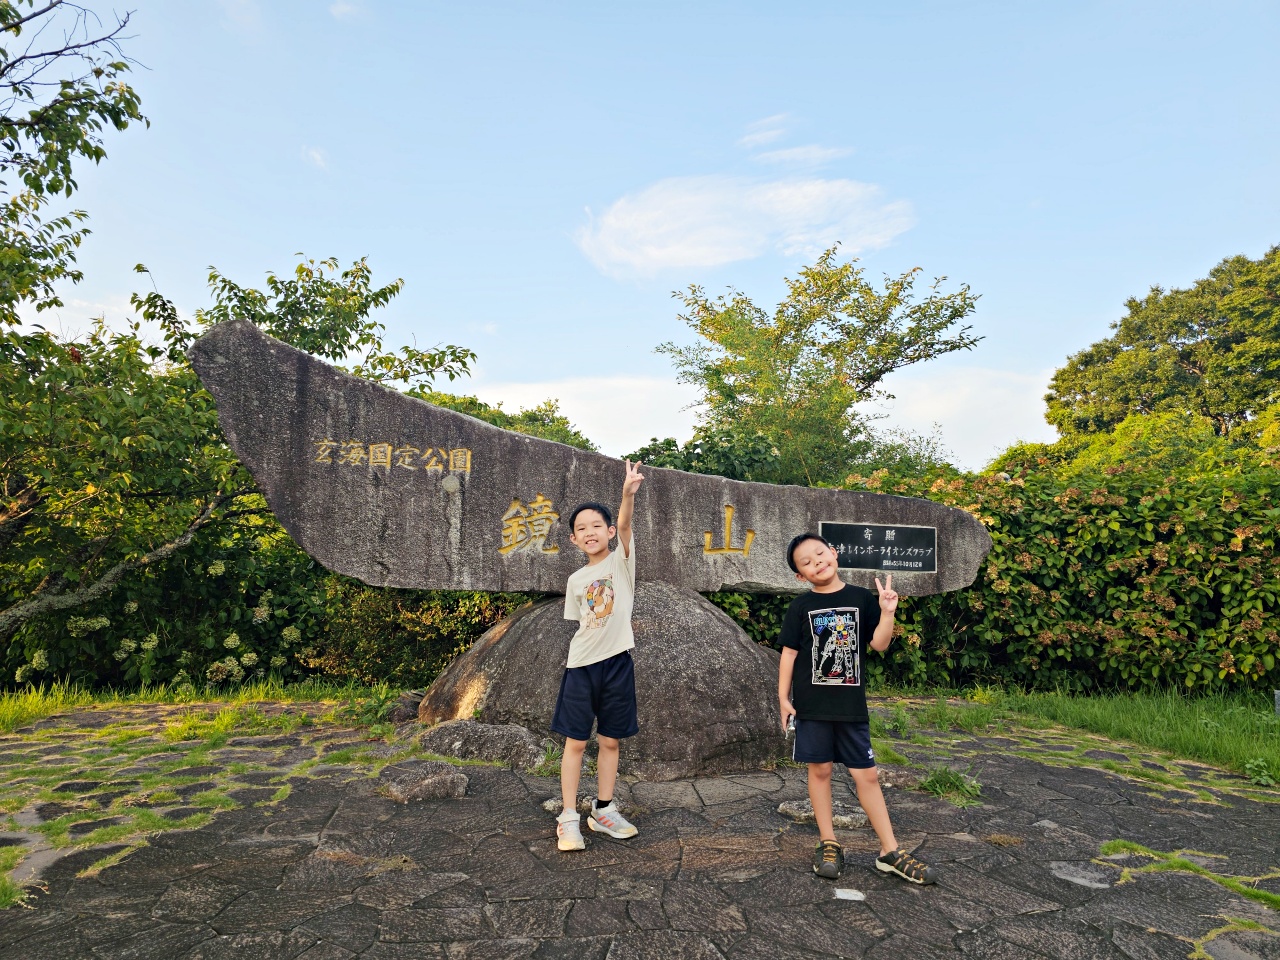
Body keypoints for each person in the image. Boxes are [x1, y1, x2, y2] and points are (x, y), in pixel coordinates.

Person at [777, 532, 939, 884]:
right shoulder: (800, 607)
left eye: (820, 553)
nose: (817, 562)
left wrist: (887, 612)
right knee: (819, 771)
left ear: (833, 553)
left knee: (866, 775)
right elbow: (789, 653)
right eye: (806, 562)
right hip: (813, 706)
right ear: (800, 576)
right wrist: (783, 698)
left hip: (851, 707)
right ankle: (828, 841)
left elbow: (879, 644)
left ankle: (889, 851)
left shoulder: (862, 598)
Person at [551, 459, 644, 852]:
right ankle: (568, 817)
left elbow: (625, 524)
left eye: (595, 526)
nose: (589, 533)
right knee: (575, 742)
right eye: (580, 529)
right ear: (573, 539)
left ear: (608, 532)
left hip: (618, 663)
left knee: (610, 741)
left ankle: (603, 810)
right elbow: (582, 623)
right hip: (581, 667)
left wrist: (626, 495)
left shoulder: (621, 562)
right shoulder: (576, 580)